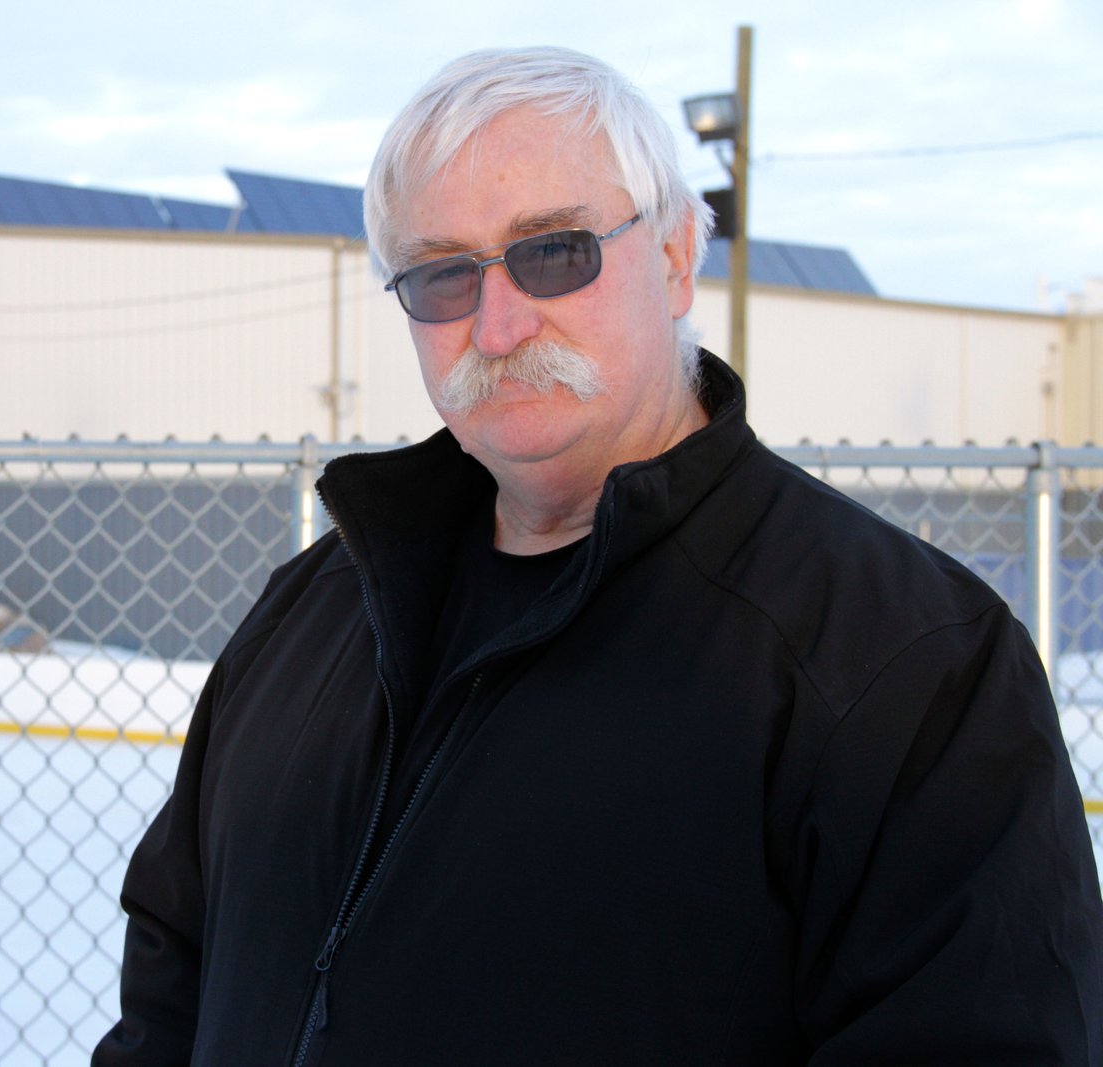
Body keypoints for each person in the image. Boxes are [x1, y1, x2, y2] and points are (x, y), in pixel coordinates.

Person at [92, 45, 1103, 1066]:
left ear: (672, 258)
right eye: (441, 273)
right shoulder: (312, 610)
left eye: (554, 251)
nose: (497, 323)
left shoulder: (904, 660)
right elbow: (169, 984)